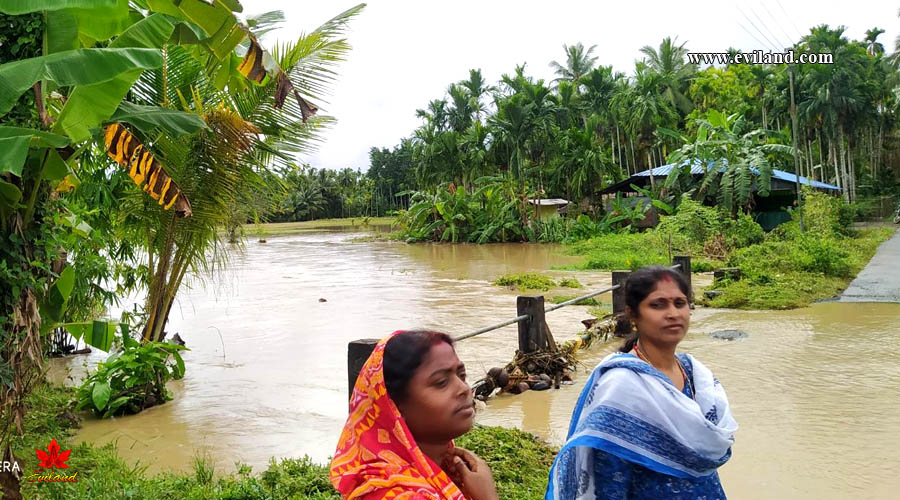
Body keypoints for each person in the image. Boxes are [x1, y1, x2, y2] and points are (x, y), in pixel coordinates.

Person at [545, 266, 738, 500]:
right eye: (658, 305)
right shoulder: (621, 387)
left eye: (680, 303)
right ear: (633, 315)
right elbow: (608, 480)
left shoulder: (697, 375)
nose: (672, 313)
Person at [331, 330, 499, 500]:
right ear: (395, 406)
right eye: (441, 382)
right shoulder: (393, 494)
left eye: (462, 375)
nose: (463, 388)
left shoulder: (447, 473)